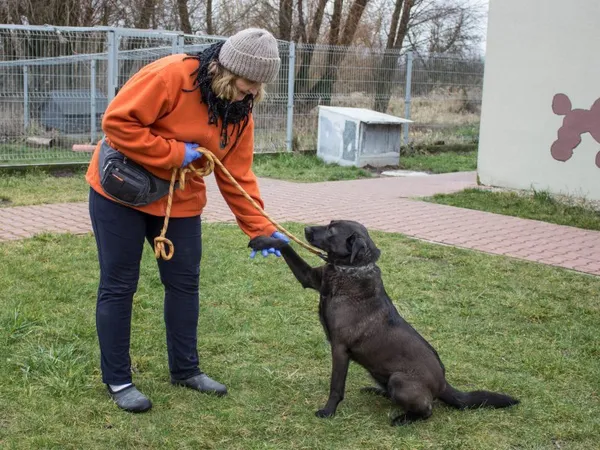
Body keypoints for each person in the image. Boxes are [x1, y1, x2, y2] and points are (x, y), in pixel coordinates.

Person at [85, 28, 289, 413]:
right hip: (121, 191)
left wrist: (261, 229)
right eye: (249, 83)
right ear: (228, 71)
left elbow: (237, 175)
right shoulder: (171, 76)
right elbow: (117, 123)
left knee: (184, 284)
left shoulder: (240, 110)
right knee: (119, 284)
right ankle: (118, 378)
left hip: (179, 201)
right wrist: (175, 152)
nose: (253, 93)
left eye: (260, 86)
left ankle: (186, 369)